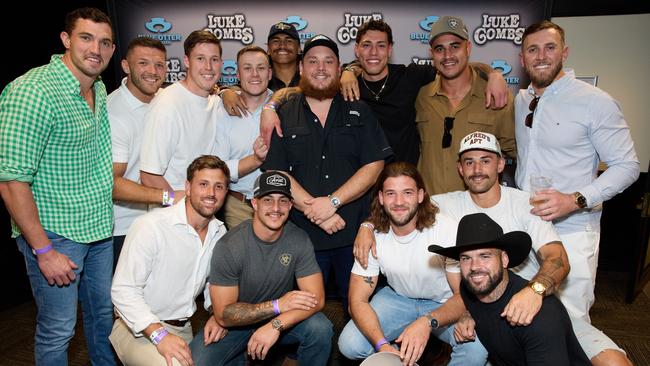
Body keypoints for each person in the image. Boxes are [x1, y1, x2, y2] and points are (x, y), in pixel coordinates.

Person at [356, 131, 632, 365]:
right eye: (469, 162)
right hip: (481, 308)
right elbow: (400, 205)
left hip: (533, 300)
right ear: (460, 169)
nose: (477, 169)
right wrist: (367, 226)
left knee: (613, 362)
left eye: (485, 161)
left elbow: (557, 259)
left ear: (501, 165)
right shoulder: (445, 203)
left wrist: (533, 292)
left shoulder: (526, 205)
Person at [0, 7, 116, 365]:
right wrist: (43, 250)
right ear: (65, 39)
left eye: (105, 42)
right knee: (58, 331)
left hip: (98, 230)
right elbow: (11, 181)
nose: (96, 49)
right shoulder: (32, 92)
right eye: (86, 38)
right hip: (56, 235)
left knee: (103, 321)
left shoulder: (96, 86)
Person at [515, 20, 639, 322]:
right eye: (533, 49)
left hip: (573, 230)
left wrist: (575, 199)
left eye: (549, 48)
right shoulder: (522, 100)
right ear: (522, 59)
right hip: (528, 229)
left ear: (564, 52)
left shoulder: (595, 102)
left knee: (570, 322)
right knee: (525, 317)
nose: (541, 56)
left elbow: (628, 166)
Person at [262, 34, 392, 311]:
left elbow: (374, 165)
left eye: (328, 61)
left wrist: (331, 202)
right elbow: (276, 172)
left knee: (359, 310)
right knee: (303, 313)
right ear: (300, 68)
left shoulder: (359, 110)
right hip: (301, 239)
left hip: (354, 236)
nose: (320, 68)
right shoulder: (282, 112)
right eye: (312, 61)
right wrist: (315, 211)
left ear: (339, 68)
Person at [338, 162, 487, 366]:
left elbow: (462, 294)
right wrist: (382, 346)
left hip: (443, 303)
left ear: (420, 195)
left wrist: (427, 322)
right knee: (350, 344)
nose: (399, 201)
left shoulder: (445, 230)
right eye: (391, 193)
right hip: (398, 298)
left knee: (476, 349)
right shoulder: (372, 237)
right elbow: (357, 301)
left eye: (407, 192)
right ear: (381, 198)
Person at [190, 171, 333, 365]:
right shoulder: (230, 246)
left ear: (291, 206)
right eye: (268, 200)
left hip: (280, 318)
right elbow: (224, 315)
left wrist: (276, 324)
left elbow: (317, 299)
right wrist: (277, 305)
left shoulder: (298, 239)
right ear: (254, 203)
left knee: (320, 328)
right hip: (237, 324)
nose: (276, 208)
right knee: (196, 361)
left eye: (283, 201)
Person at [110, 155, 230, 366]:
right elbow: (123, 291)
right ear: (188, 187)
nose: (211, 193)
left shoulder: (219, 232)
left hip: (183, 328)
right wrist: (159, 335)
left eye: (218, 187)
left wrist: (217, 314)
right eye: (203, 184)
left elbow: (214, 283)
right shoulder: (151, 226)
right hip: (137, 328)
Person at [338, 19, 509, 165]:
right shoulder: (345, 87)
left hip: (406, 186)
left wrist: (494, 74)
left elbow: (453, 65)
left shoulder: (410, 76)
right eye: (366, 45)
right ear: (356, 49)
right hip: (363, 187)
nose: (373, 52)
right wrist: (349, 70)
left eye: (381, 45)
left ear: (390, 50)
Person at [429, 213, 591, 365]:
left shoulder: (539, 316)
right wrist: (467, 315)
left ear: (504, 259)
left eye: (485, 256)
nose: (474, 267)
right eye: (466, 258)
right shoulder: (470, 287)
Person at [414, 16, 516, 195]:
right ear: (432, 54)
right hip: (431, 211)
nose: (447, 56)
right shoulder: (421, 96)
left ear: (468, 48)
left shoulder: (496, 95)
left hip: (479, 212)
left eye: (455, 46)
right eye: (440, 49)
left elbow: (519, 151)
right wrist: (350, 72)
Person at [109, 36, 185, 267]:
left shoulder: (168, 99)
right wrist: (170, 197)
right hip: (125, 227)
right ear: (125, 66)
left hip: (164, 220)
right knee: (126, 299)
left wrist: (226, 93)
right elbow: (110, 183)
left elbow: (204, 96)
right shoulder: (113, 112)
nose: (153, 71)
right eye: (143, 63)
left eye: (159, 65)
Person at [139, 30, 222, 194]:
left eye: (214, 59)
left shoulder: (216, 102)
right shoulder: (167, 105)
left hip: (203, 211)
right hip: (172, 215)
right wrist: (182, 208)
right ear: (187, 61)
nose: (208, 67)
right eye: (200, 59)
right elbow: (149, 176)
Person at [215, 45, 271, 229]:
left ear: (270, 73)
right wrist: (255, 160)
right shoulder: (221, 111)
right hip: (238, 206)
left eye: (261, 68)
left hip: (279, 205)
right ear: (238, 75)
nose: (255, 74)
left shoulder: (285, 104)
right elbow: (219, 168)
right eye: (247, 68)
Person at [223, 22, 301, 116]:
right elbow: (239, 87)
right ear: (268, 48)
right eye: (276, 41)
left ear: (299, 48)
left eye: (289, 41)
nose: (282, 46)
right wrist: (225, 92)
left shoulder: (309, 78)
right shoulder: (261, 78)